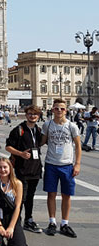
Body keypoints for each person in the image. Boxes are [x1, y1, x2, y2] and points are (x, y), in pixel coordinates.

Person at [41, 99, 81, 238]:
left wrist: (77, 164)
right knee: (51, 194)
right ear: (52, 110)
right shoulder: (47, 124)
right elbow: (42, 141)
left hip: (67, 165)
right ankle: (52, 222)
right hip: (51, 164)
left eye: (62, 109)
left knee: (66, 195)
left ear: (66, 110)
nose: (59, 111)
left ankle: (64, 223)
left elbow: (78, 146)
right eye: (57, 108)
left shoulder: (72, 126)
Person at [6, 105, 43, 233]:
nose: (33, 116)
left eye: (35, 114)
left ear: (38, 116)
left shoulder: (38, 130)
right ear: (26, 115)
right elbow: (8, 147)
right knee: (22, 196)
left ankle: (28, 219)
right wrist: (21, 153)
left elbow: (40, 143)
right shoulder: (19, 130)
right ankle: (16, 220)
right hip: (22, 168)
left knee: (31, 196)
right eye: (30, 114)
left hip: (35, 167)